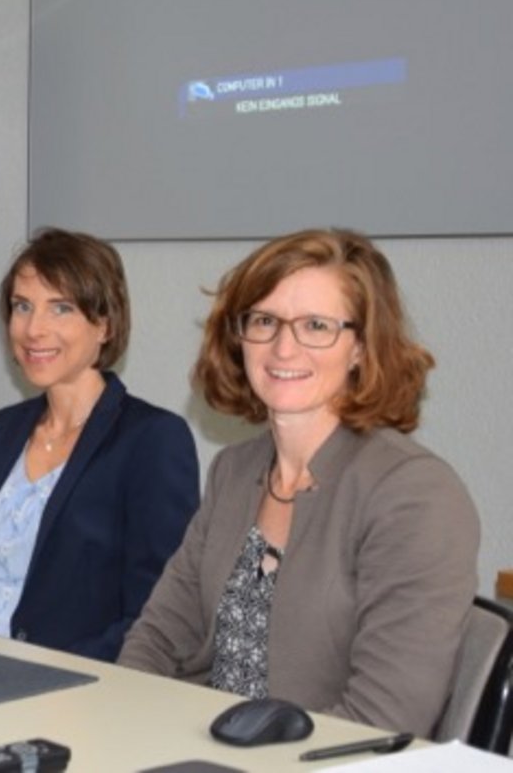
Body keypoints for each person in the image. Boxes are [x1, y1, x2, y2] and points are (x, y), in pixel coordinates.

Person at [119, 228, 479, 737]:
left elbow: (384, 719)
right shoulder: (234, 471)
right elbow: (156, 640)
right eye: (265, 321)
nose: (284, 347)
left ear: (359, 347)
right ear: (239, 336)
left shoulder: (415, 495)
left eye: (316, 326)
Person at [0, 228, 198, 660]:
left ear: (104, 325)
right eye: (22, 307)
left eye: (61, 309)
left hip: (69, 685)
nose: (34, 329)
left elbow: (158, 611)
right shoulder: (1, 430)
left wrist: (54, 674)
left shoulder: (152, 439)